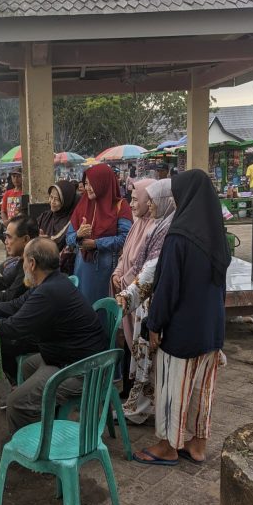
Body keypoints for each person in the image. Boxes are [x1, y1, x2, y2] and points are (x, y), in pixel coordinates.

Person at [0, 238, 107, 433]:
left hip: (83, 370)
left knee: (16, 402)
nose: (22, 265)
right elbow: (15, 305)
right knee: (27, 365)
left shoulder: (49, 291)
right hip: (68, 357)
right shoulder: (50, 282)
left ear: (32, 264)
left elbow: (15, 327)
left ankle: (32, 455)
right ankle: (43, 420)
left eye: (23, 260)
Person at [133, 169, 231, 466]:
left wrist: (154, 324)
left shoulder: (180, 236)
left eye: (177, 195)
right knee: (203, 390)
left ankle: (168, 446)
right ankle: (198, 445)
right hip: (211, 329)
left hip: (183, 330)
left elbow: (167, 287)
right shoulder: (217, 235)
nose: (174, 201)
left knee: (173, 388)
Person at [115, 180, 176, 424]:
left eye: (151, 200)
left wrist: (128, 286)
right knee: (140, 355)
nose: (147, 204)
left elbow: (149, 269)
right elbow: (127, 256)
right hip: (138, 298)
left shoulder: (165, 229)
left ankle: (144, 409)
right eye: (146, 199)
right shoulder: (149, 225)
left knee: (148, 358)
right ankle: (141, 405)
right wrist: (119, 275)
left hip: (148, 301)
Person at [111, 178, 155, 393]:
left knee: (137, 342)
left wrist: (126, 279)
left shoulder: (154, 227)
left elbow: (145, 264)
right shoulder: (137, 224)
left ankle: (135, 392)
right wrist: (118, 273)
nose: (132, 204)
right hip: (126, 290)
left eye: (137, 199)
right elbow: (125, 255)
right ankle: (128, 389)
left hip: (140, 297)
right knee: (127, 340)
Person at [65, 163, 133, 306]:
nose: (87, 188)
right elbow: (69, 238)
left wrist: (96, 243)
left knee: (102, 307)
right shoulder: (82, 205)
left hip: (107, 268)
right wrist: (78, 235)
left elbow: (126, 238)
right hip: (83, 267)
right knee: (84, 307)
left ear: (103, 183)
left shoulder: (120, 206)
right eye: (86, 184)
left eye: (92, 184)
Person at [36, 180, 78, 251]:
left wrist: (44, 241)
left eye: (57, 199)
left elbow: (63, 244)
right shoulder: (45, 216)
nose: (52, 202)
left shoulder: (72, 221)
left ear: (67, 201)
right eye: (51, 197)